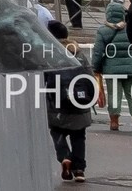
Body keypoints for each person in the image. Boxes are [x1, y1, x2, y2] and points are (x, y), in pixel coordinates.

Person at [42, 18, 92, 183]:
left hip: (58, 103)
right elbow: (89, 76)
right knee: (79, 135)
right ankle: (79, 170)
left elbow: (45, 80)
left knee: (57, 131)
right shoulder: (78, 52)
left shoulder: (50, 54)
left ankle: (64, 157)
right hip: (80, 101)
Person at [93, 0, 132, 132]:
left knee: (114, 95)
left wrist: (95, 67)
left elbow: (98, 52)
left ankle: (114, 123)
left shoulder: (103, 31)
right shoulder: (131, 29)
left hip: (112, 70)